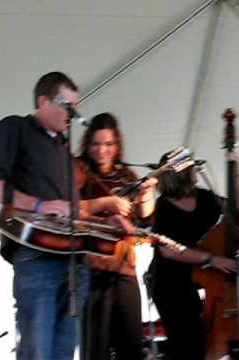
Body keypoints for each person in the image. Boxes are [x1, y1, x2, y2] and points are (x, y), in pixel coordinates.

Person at [0, 72, 134, 360]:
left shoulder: (62, 150)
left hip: (74, 262)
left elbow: (70, 211)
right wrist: (39, 205)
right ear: (43, 101)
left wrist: (103, 222)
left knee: (64, 350)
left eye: (75, 107)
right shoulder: (15, 128)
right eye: (65, 105)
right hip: (37, 259)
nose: (71, 115)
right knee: (39, 348)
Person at [76, 112, 156, 360]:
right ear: (88, 145)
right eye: (96, 144)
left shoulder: (127, 175)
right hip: (91, 267)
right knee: (95, 347)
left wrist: (146, 193)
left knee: (131, 344)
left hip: (124, 267)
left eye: (108, 144)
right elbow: (68, 209)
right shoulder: (77, 170)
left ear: (117, 144)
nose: (102, 151)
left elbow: (145, 218)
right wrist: (106, 202)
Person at [149, 150, 239, 360]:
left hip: (200, 279)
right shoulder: (164, 206)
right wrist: (211, 259)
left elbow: (236, 210)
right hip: (170, 283)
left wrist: (236, 171)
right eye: (190, 166)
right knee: (186, 342)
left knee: (199, 342)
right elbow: (167, 249)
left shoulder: (205, 197)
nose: (195, 169)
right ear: (180, 172)